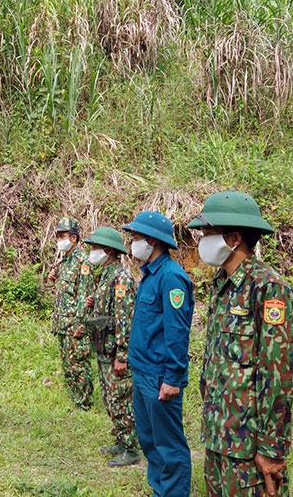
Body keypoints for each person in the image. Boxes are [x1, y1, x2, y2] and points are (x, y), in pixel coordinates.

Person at [188, 191, 293, 497]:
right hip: (219, 435)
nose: (202, 242)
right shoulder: (222, 284)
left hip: (249, 446)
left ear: (233, 238)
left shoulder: (268, 288)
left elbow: (279, 375)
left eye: (208, 234)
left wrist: (272, 447)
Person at [122, 211, 194, 496]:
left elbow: (177, 332)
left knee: (168, 444)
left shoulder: (171, 278)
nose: (134, 242)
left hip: (159, 376)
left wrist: (172, 378)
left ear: (151, 240)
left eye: (137, 237)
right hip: (142, 372)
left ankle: (173, 492)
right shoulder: (149, 274)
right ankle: (159, 490)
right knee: (150, 440)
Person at [83, 226, 142, 467]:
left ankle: (130, 448)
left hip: (115, 353)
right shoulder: (105, 274)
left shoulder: (121, 277)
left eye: (95, 247)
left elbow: (124, 319)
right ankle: (121, 439)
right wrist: (93, 303)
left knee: (120, 400)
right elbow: (107, 312)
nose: (92, 251)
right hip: (104, 350)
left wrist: (122, 355)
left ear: (107, 250)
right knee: (110, 399)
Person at [47, 217, 95, 411]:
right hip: (62, 323)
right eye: (57, 236)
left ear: (74, 238)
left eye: (63, 236)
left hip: (74, 325)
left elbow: (85, 296)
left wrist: (80, 325)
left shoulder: (83, 262)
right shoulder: (64, 261)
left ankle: (84, 403)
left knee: (78, 365)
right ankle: (76, 397)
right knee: (68, 365)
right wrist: (53, 278)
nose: (59, 240)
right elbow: (65, 290)